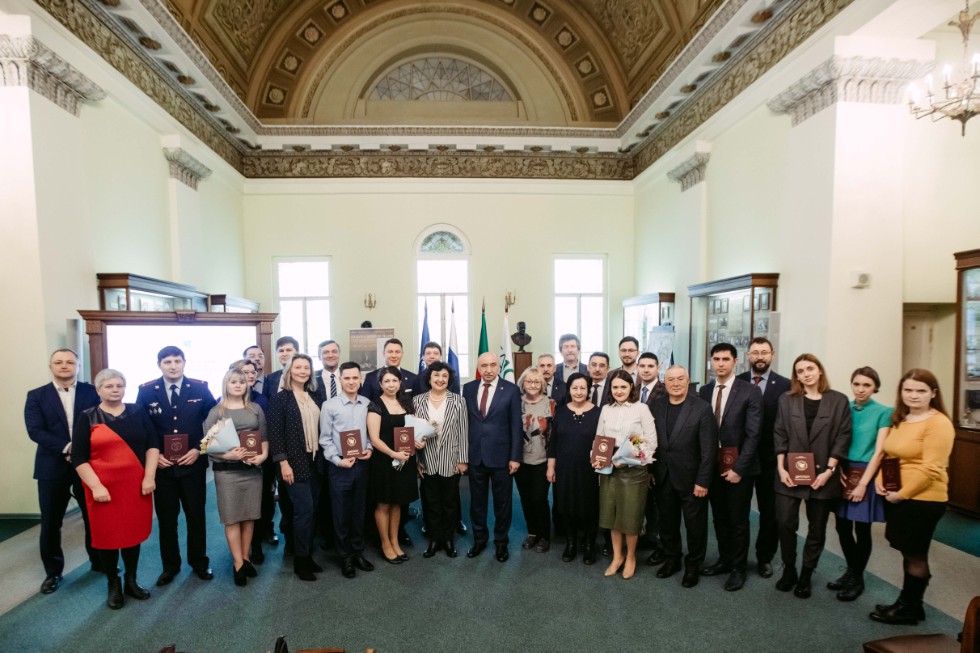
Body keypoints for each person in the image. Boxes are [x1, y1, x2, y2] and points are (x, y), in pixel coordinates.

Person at [870, 369, 955, 625]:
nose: (914, 395)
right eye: (908, 390)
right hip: (898, 495)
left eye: (921, 390)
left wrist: (902, 494)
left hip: (924, 500)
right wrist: (880, 481)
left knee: (916, 554)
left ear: (933, 393)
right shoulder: (902, 418)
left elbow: (932, 469)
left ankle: (907, 609)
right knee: (908, 551)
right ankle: (910, 605)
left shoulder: (938, 423)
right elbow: (892, 456)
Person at [72, 369, 158, 609]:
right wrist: (96, 485)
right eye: (109, 386)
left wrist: (149, 477)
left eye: (119, 385)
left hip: (136, 487)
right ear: (98, 390)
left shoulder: (138, 412)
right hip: (102, 491)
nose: (115, 390)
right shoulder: (87, 417)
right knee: (108, 538)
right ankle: (113, 584)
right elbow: (78, 457)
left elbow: (152, 445)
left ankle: (131, 580)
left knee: (132, 535)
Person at [136, 346, 216, 586]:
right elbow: (141, 429)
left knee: (196, 517)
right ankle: (170, 566)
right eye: (168, 361)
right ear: (159, 364)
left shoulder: (200, 388)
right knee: (167, 521)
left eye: (177, 361)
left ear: (184, 363)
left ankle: (199, 562)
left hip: (192, 465)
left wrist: (199, 449)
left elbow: (217, 424)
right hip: (162, 469)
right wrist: (153, 455)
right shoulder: (147, 391)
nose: (173, 366)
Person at [773, 353, 852, 599]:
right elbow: (780, 433)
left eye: (810, 368)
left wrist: (830, 471)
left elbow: (843, 436)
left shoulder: (838, 401)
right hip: (789, 473)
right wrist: (781, 467)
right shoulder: (787, 400)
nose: (805, 374)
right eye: (799, 371)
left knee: (817, 528)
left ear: (819, 371)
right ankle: (789, 569)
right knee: (785, 523)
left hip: (823, 476)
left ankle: (806, 574)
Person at [24, 348, 101, 594]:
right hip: (51, 466)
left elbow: (101, 424)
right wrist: (68, 447)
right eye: (59, 362)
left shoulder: (92, 392)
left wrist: (81, 450)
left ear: (78, 366)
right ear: (51, 367)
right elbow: (35, 430)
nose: (64, 366)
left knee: (94, 518)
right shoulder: (36, 396)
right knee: (51, 522)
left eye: (70, 362)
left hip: (89, 464)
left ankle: (99, 563)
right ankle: (53, 573)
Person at [698, 343, 762, 592]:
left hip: (738, 468)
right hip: (711, 466)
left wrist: (740, 469)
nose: (720, 363)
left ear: (736, 362)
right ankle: (724, 560)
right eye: (716, 359)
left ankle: (738, 568)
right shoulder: (704, 391)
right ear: (711, 362)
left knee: (738, 520)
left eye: (726, 359)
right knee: (719, 517)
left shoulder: (749, 391)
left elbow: (754, 434)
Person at [828, 366, 891, 602]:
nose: (861, 389)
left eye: (867, 385)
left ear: (875, 387)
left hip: (866, 472)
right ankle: (851, 571)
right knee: (841, 526)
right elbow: (837, 439)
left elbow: (880, 452)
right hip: (844, 470)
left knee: (862, 528)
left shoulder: (884, 412)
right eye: (857, 384)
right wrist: (838, 470)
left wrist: (864, 484)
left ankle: (858, 578)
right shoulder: (844, 408)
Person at [650, 366, 716, 588]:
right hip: (663, 476)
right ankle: (672, 559)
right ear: (664, 382)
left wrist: (703, 481)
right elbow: (647, 440)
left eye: (680, 379)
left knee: (695, 526)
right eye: (671, 379)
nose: (675, 383)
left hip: (692, 480)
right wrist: (649, 469)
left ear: (688, 381)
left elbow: (709, 451)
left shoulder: (702, 409)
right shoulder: (656, 406)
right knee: (667, 524)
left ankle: (693, 566)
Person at [202, 369, 268, 586]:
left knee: (249, 516)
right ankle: (238, 562)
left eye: (241, 382)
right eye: (233, 382)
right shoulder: (217, 411)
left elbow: (264, 439)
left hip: (252, 471)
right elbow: (206, 445)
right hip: (227, 472)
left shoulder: (255, 409)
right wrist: (227, 454)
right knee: (232, 517)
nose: (238, 385)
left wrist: (262, 457)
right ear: (226, 385)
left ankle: (247, 558)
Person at [268, 353, 327, 581]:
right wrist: (283, 463)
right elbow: (275, 434)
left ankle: (308, 554)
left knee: (312, 511)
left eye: (306, 367)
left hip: (316, 463)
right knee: (302, 511)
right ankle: (300, 560)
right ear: (289, 371)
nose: (303, 371)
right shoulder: (280, 399)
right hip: (293, 464)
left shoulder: (315, 396)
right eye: (298, 367)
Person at [595, 370, 657, 580]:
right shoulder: (606, 409)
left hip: (634, 470)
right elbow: (600, 438)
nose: (619, 391)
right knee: (612, 516)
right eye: (615, 387)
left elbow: (651, 441)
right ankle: (617, 556)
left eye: (623, 387)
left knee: (630, 517)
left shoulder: (641, 409)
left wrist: (626, 456)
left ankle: (631, 557)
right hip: (609, 469)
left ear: (631, 387)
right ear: (610, 389)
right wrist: (598, 460)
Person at [737, 336, 791, 579]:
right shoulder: (736, 383)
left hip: (772, 460)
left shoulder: (787, 386)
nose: (759, 357)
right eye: (755, 352)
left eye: (764, 352)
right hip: (741, 460)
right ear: (748, 355)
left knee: (771, 513)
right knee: (738, 513)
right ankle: (737, 557)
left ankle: (764, 557)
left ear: (772, 354)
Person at [463, 352, 522, 562]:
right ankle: (479, 540)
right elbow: (465, 424)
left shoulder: (512, 390)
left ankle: (501, 543)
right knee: (477, 503)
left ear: (499, 366)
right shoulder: (468, 389)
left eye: (493, 365)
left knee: (502, 503)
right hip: (476, 456)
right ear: (478, 367)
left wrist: (515, 457)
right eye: (484, 365)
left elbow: (516, 426)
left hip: (502, 457)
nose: (488, 370)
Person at [320, 361, 375, 579]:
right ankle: (345, 556)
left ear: (361, 380)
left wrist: (369, 448)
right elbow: (324, 439)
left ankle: (358, 552)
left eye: (355, 378)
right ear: (340, 379)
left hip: (362, 465)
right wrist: (336, 460)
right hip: (340, 466)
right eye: (347, 378)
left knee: (359, 510)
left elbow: (371, 433)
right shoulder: (329, 405)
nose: (352, 382)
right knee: (341, 513)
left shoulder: (367, 403)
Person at [414, 362, 469, 558]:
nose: (440, 379)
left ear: (449, 379)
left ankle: (448, 539)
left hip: (451, 459)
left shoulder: (458, 401)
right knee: (430, 501)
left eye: (444, 376)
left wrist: (463, 460)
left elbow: (463, 431)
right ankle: (434, 539)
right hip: (426, 459)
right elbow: (412, 433)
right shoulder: (417, 401)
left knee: (450, 501)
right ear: (429, 378)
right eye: (436, 375)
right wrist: (416, 460)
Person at [367, 367, 421, 564]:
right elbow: (374, 439)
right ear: (380, 384)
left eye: (394, 381)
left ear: (400, 383)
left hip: (404, 461)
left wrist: (418, 441)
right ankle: (385, 544)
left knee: (398, 502)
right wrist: (393, 453)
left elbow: (411, 432)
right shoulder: (375, 405)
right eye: (387, 381)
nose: (391, 385)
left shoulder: (406, 403)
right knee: (383, 503)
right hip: (384, 461)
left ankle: (395, 541)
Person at [547, 372, 601, 564]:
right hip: (565, 468)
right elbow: (553, 442)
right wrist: (551, 467)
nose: (578, 392)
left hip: (591, 470)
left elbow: (605, 443)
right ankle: (571, 544)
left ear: (588, 390)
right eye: (574, 388)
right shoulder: (560, 412)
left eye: (582, 388)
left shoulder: (599, 412)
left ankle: (589, 545)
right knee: (567, 506)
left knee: (590, 507)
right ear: (569, 390)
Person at [516, 367, 556, 553]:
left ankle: (544, 535)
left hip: (543, 459)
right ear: (522, 383)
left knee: (539, 499)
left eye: (536, 382)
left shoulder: (551, 404)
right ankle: (532, 532)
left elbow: (556, 436)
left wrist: (552, 464)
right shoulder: (515, 403)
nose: (532, 385)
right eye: (529, 381)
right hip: (520, 459)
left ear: (542, 385)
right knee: (525, 498)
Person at [636, 352, 666, 563]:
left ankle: (662, 544)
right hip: (636, 453)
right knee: (645, 502)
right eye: (642, 366)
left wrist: (652, 466)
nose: (646, 370)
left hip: (660, 455)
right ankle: (649, 536)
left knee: (661, 503)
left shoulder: (665, 391)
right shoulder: (633, 390)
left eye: (650, 366)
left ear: (658, 368)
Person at [363, 338, 418, 403]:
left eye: (397, 352)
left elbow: (417, 404)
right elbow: (364, 404)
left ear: (402, 354)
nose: (394, 356)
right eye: (390, 352)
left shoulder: (413, 378)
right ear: (384, 353)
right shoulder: (371, 377)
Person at [263, 336, 300, 401]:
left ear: (298, 352)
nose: (284, 354)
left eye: (288, 350)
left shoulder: (305, 375)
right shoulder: (270, 378)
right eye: (281, 351)